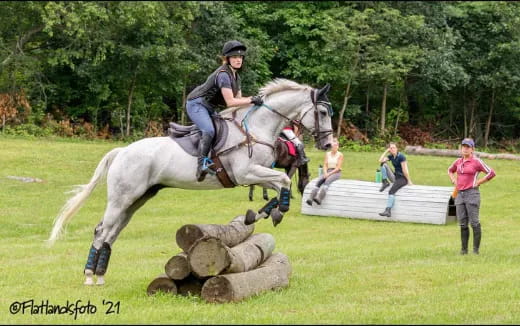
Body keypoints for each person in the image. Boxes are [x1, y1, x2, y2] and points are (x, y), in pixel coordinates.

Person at [186, 40, 263, 182]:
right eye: (234, 57)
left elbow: (238, 101)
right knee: (209, 130)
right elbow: (230, 102)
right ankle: (201, 164)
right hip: (196, 104)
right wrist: (251, 99)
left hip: (209, 108)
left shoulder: (236, 77)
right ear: (227, 59)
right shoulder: (223, 75)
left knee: (225, 128)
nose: (238, 60)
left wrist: (256, 104)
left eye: (240, 57)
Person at [448, 138, 496, 255]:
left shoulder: (477, 162)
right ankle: (464, 250)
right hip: (460, 194)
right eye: (463, 146)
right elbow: (450, 170)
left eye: (468, 147)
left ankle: (475, 250)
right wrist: (453, 179)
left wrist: (479, 182)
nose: (465, 149)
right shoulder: (458, 162)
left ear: (472, 149)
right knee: (463, 223)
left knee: (474, 222)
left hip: (472, 194)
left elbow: (491, 172)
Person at [378, 143, 413, 217]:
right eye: (391, 148)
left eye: (394, 147)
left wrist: (409, 180)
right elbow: (380, 160)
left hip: (402, 178)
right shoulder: (391, 156)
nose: (392, 149)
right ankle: (385, 182)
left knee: (391, 191)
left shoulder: (401, 157)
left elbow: (405, 170)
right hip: (395, 177)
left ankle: (388, 210)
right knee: (383, 164)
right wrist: (386, 151)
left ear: (397, 149)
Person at [306, 137, 343, 206]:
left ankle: (319, 198)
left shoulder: (340, 155)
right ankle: (310, 199)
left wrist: (328, 174)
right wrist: (325, 172)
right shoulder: (327, 154)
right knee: (319, 181)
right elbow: (325, 165)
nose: (335, 147)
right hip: (327, 170)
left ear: (338, 146)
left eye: (336, 146)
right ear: (331, 146)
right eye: (333, 146)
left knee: (327, 181)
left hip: (336, 172)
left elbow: (338, 168)